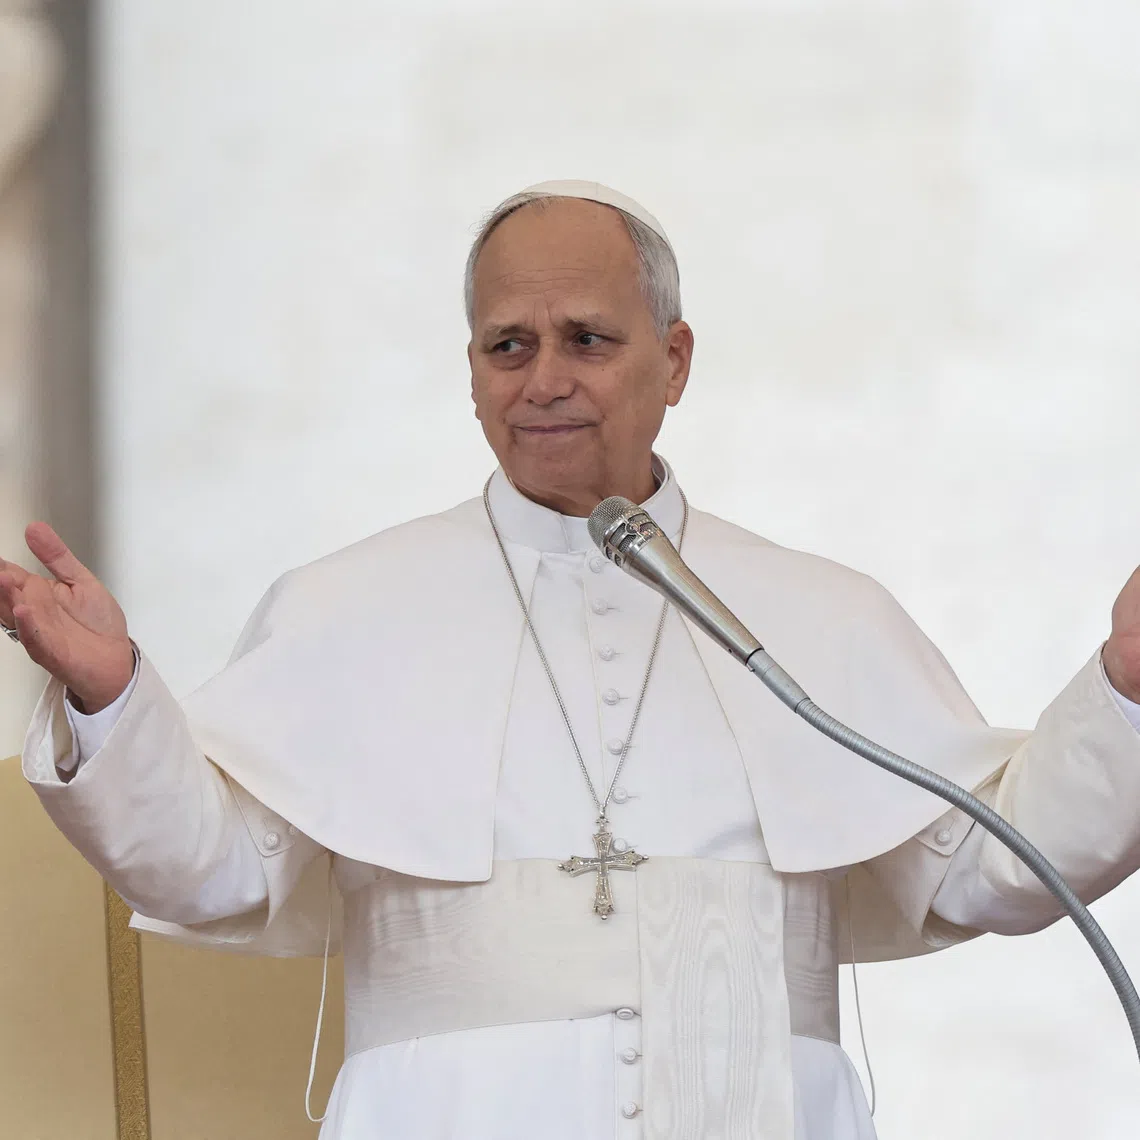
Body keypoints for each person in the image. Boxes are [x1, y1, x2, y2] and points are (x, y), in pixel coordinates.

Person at [4, 179, 1140, 1140]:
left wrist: (1126, 688)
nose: (543, 378)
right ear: (472, 370)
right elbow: (212, 867)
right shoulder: (347, 607)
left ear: (676, 358)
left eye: (587, 338)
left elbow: (987, 868)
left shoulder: (819, 614)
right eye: (510, 345)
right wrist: (114, 700)